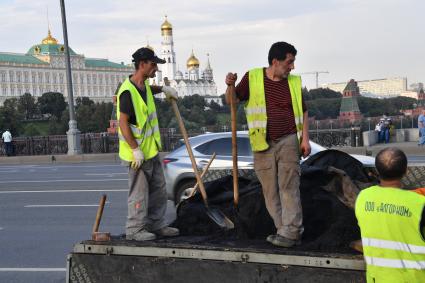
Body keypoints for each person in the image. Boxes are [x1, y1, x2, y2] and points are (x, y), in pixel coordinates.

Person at [225, 41, 311, 248]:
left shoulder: (293, 82)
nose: (292, 67)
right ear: (275, 61)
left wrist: (305, 138)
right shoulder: (253, 77)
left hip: (288, 139)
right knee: (270, 191)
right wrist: (230, 85)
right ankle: (284, 230)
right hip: (262, 143)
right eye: (289, 62)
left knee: (289, 187)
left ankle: (291, 231)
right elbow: (232, 101)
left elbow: (304, 110)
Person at [117, 47, 179, 241]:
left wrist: (162, 89)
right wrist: (135, 150)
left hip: (150, 151)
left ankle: (156, 224)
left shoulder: (143, 87)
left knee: (159, 191)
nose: (156, 69)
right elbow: (122, 123)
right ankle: (135, 229)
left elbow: (147, 90)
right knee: (139, 194)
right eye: (153, 65)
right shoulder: (127, 91)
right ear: (142, 64)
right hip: (137, 156)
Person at [355, 147, 425, 283]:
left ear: (377, 171)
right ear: (406, 171)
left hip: (377, 279)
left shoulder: (363, 198)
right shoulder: (420, 204)